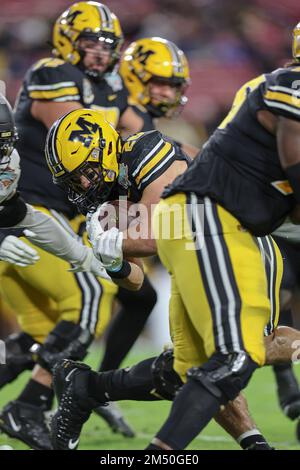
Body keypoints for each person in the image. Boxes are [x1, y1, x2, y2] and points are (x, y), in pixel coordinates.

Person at [44, 108, 296, 450]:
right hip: (191, 261)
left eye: (87, 171)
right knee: (192, 368)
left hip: (234, 242)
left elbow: (156, 235)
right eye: (75, 180)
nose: (85, 184)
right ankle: (87, 388)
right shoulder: (108, 198)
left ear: (104, 147)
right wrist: (113, 263)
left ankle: (88, 387)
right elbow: (135, 281)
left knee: (239, 353)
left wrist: (113, 242)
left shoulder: (146, 151)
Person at [0, 1, 158, 448]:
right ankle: (29, 406)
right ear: (68, 41)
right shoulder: (54, 72)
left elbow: (144, 135)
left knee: (37, 333)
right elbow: (81, 134)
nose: (99, 53)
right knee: (94, 292)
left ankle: (40, 398)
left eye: (107, 46)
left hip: (37, 224)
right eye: (90, 43)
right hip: (29, 214)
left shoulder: (105, 88)